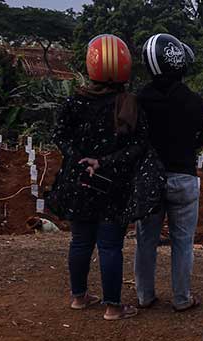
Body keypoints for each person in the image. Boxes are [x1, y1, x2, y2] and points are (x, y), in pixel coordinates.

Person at [47, 34, 163, 320]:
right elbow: (139, 146)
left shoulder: (75, 101)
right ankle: (112, 306)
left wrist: (81, 160)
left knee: (80, 241)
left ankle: (79, 297)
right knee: (110, 245)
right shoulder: (129, 103)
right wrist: (105, 162)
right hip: (113, 185)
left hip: (79, 182)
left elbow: (60, 136)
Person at [135, 34, 203, 312]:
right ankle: (181, 298)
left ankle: (144, 296)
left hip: (149, 178)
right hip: (184, 177)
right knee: (183, 242)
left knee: (146, 240)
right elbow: (200, 139)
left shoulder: (139, 100)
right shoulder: (196, 103)